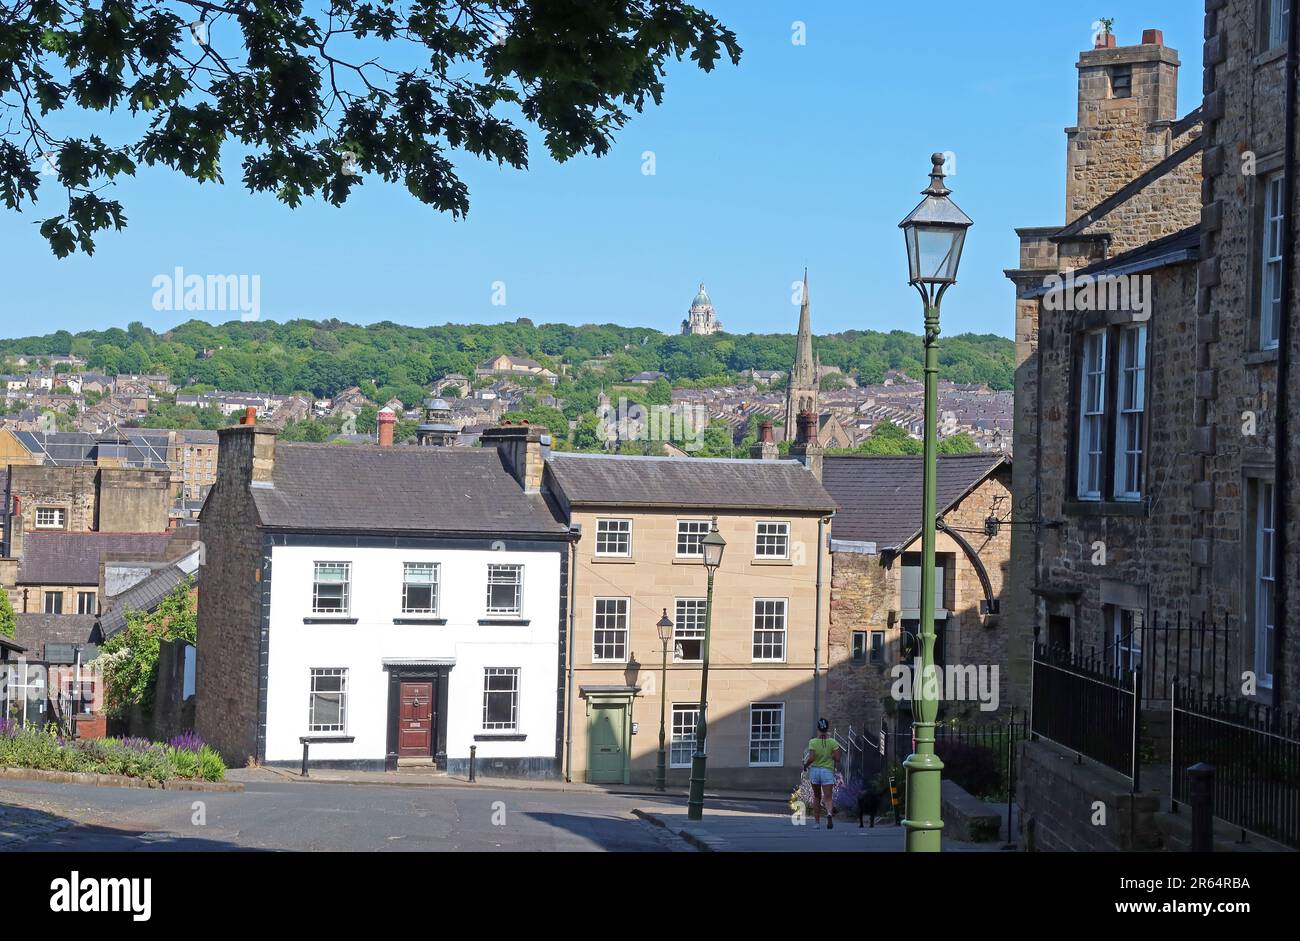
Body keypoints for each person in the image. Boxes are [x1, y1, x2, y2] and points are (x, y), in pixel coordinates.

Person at [802, 718, 841, 829]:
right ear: (827, 728)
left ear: (818, 729)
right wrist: (831, 756)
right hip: (827, 771)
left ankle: (817, 823)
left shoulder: (813, 742)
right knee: (828, 797)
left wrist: (805, 765)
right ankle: (829, 814)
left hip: (815, 771)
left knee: (817, 796)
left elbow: (811, 758)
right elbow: (838, 758)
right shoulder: (833, 742)